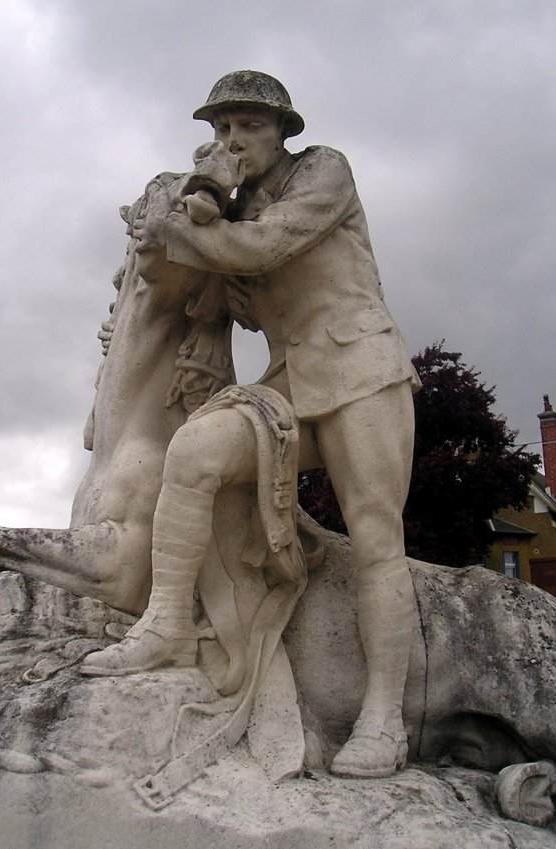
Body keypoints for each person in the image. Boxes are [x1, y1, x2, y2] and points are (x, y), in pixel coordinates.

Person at [81, 70, 421, 780]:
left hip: (359, 369)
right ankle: (168, 624)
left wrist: (178, 226)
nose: (233, 140)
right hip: (289, 382)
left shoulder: (322, 171)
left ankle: (384, 720)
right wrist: (161, 246)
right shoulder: (226, 215)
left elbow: (264, 248)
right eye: (221, 129)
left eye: (249, 126)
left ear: (281, 132)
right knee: (195, 450)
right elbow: (187, 295)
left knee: (375, 538)